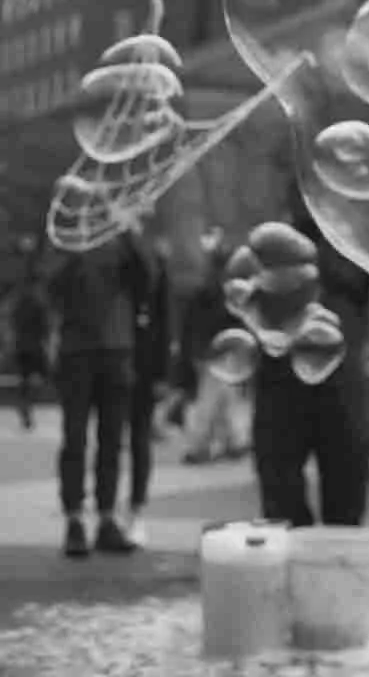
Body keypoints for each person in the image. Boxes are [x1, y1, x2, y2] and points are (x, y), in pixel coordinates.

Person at [250, 200, 369, 527]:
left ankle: (334, 561)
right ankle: (299, 555)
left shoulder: (354, 246)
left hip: (336, 371)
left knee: (344, 481)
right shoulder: (275, 247)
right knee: (282, 485)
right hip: (286, 372)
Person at [47, 234, 148, 557]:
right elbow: (52, 288)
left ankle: (107, 519)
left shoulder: (122, 241)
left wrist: (131, 238)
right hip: (77, 352)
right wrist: (76, 254)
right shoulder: (66, 240)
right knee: (75, 437)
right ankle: (74, 520)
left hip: (116, 350)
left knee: (112, 439)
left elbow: (146, 283)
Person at [125, 229, 175, 547]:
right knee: (111, 439)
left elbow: (164, 318)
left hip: (141, 362)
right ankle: (108, 513)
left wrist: (161, 373)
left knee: (139, 439)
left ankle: (135, 509)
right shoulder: (111, 249)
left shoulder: (152, 257)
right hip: (114, 355)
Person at [180, 229, 248, 464]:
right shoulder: (227, 290)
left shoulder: (208, 290)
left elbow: (196, 323)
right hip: (224, 349)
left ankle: (204, 444)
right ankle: (232, 441)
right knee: (226, 400)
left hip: (214, 349)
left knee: (211, 401)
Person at [10, 261, 51, 432]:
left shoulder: (21, 303)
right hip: (31, 348)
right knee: (34, 379)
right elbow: (44, 327)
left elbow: (14, 323)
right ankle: (26, 408)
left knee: (27, 381)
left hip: (23, 347)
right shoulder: (36, 304)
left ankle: (25, 407)